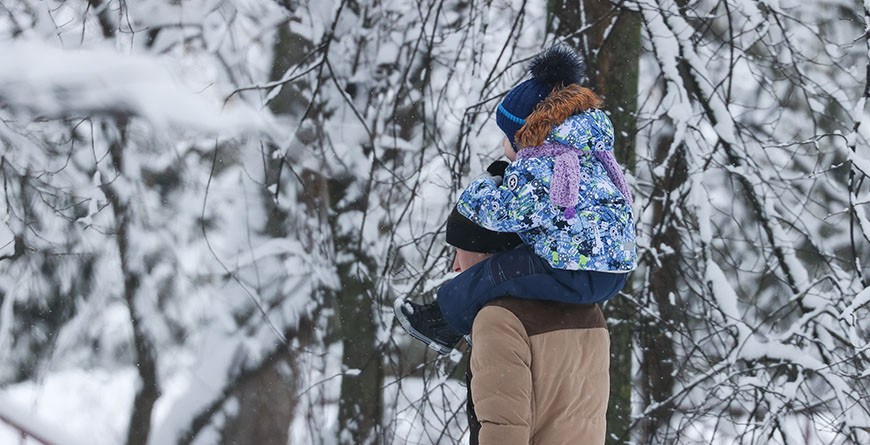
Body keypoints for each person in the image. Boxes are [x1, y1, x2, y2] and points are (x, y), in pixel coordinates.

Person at [395, 44, 636, 354]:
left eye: (508, 137)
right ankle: (477, 319)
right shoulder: (587, 153)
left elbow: (500, 214)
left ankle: (441, 322)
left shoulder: (543, 163)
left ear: (527, 135)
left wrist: (483, 185)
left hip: (576, 270)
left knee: (498, 272)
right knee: (520, 263)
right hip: (611, 270)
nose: (504, 145)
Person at [442, 209, 610, 445]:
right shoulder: (589, 311)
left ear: (485, 251)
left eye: (459, 251)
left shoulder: (499, 319)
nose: (455, 266)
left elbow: (504, 432)